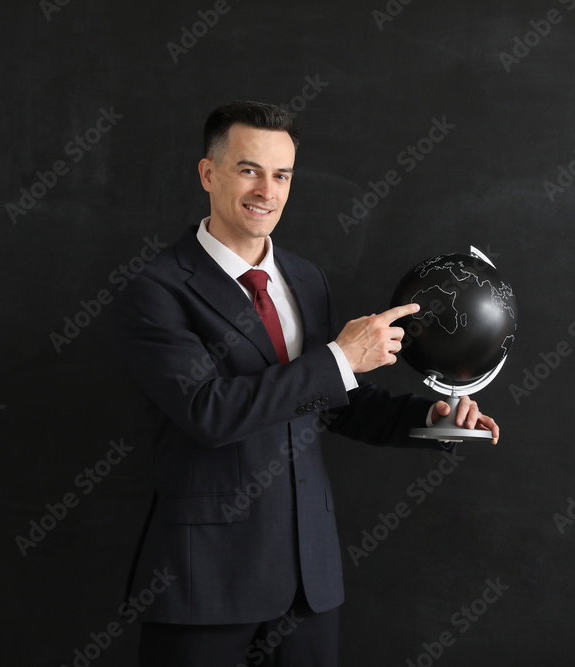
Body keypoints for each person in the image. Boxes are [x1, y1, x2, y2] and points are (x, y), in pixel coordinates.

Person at [113, 101, 499, 667]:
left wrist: (433, 420)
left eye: (282, 175)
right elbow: (207, 411)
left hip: (308, 584)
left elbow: (331, 403)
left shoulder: (305, 278)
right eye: (249, 169)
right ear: (208, 174)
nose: (266, 190)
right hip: (206, 583)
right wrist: (341, 356)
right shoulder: (157, 289)